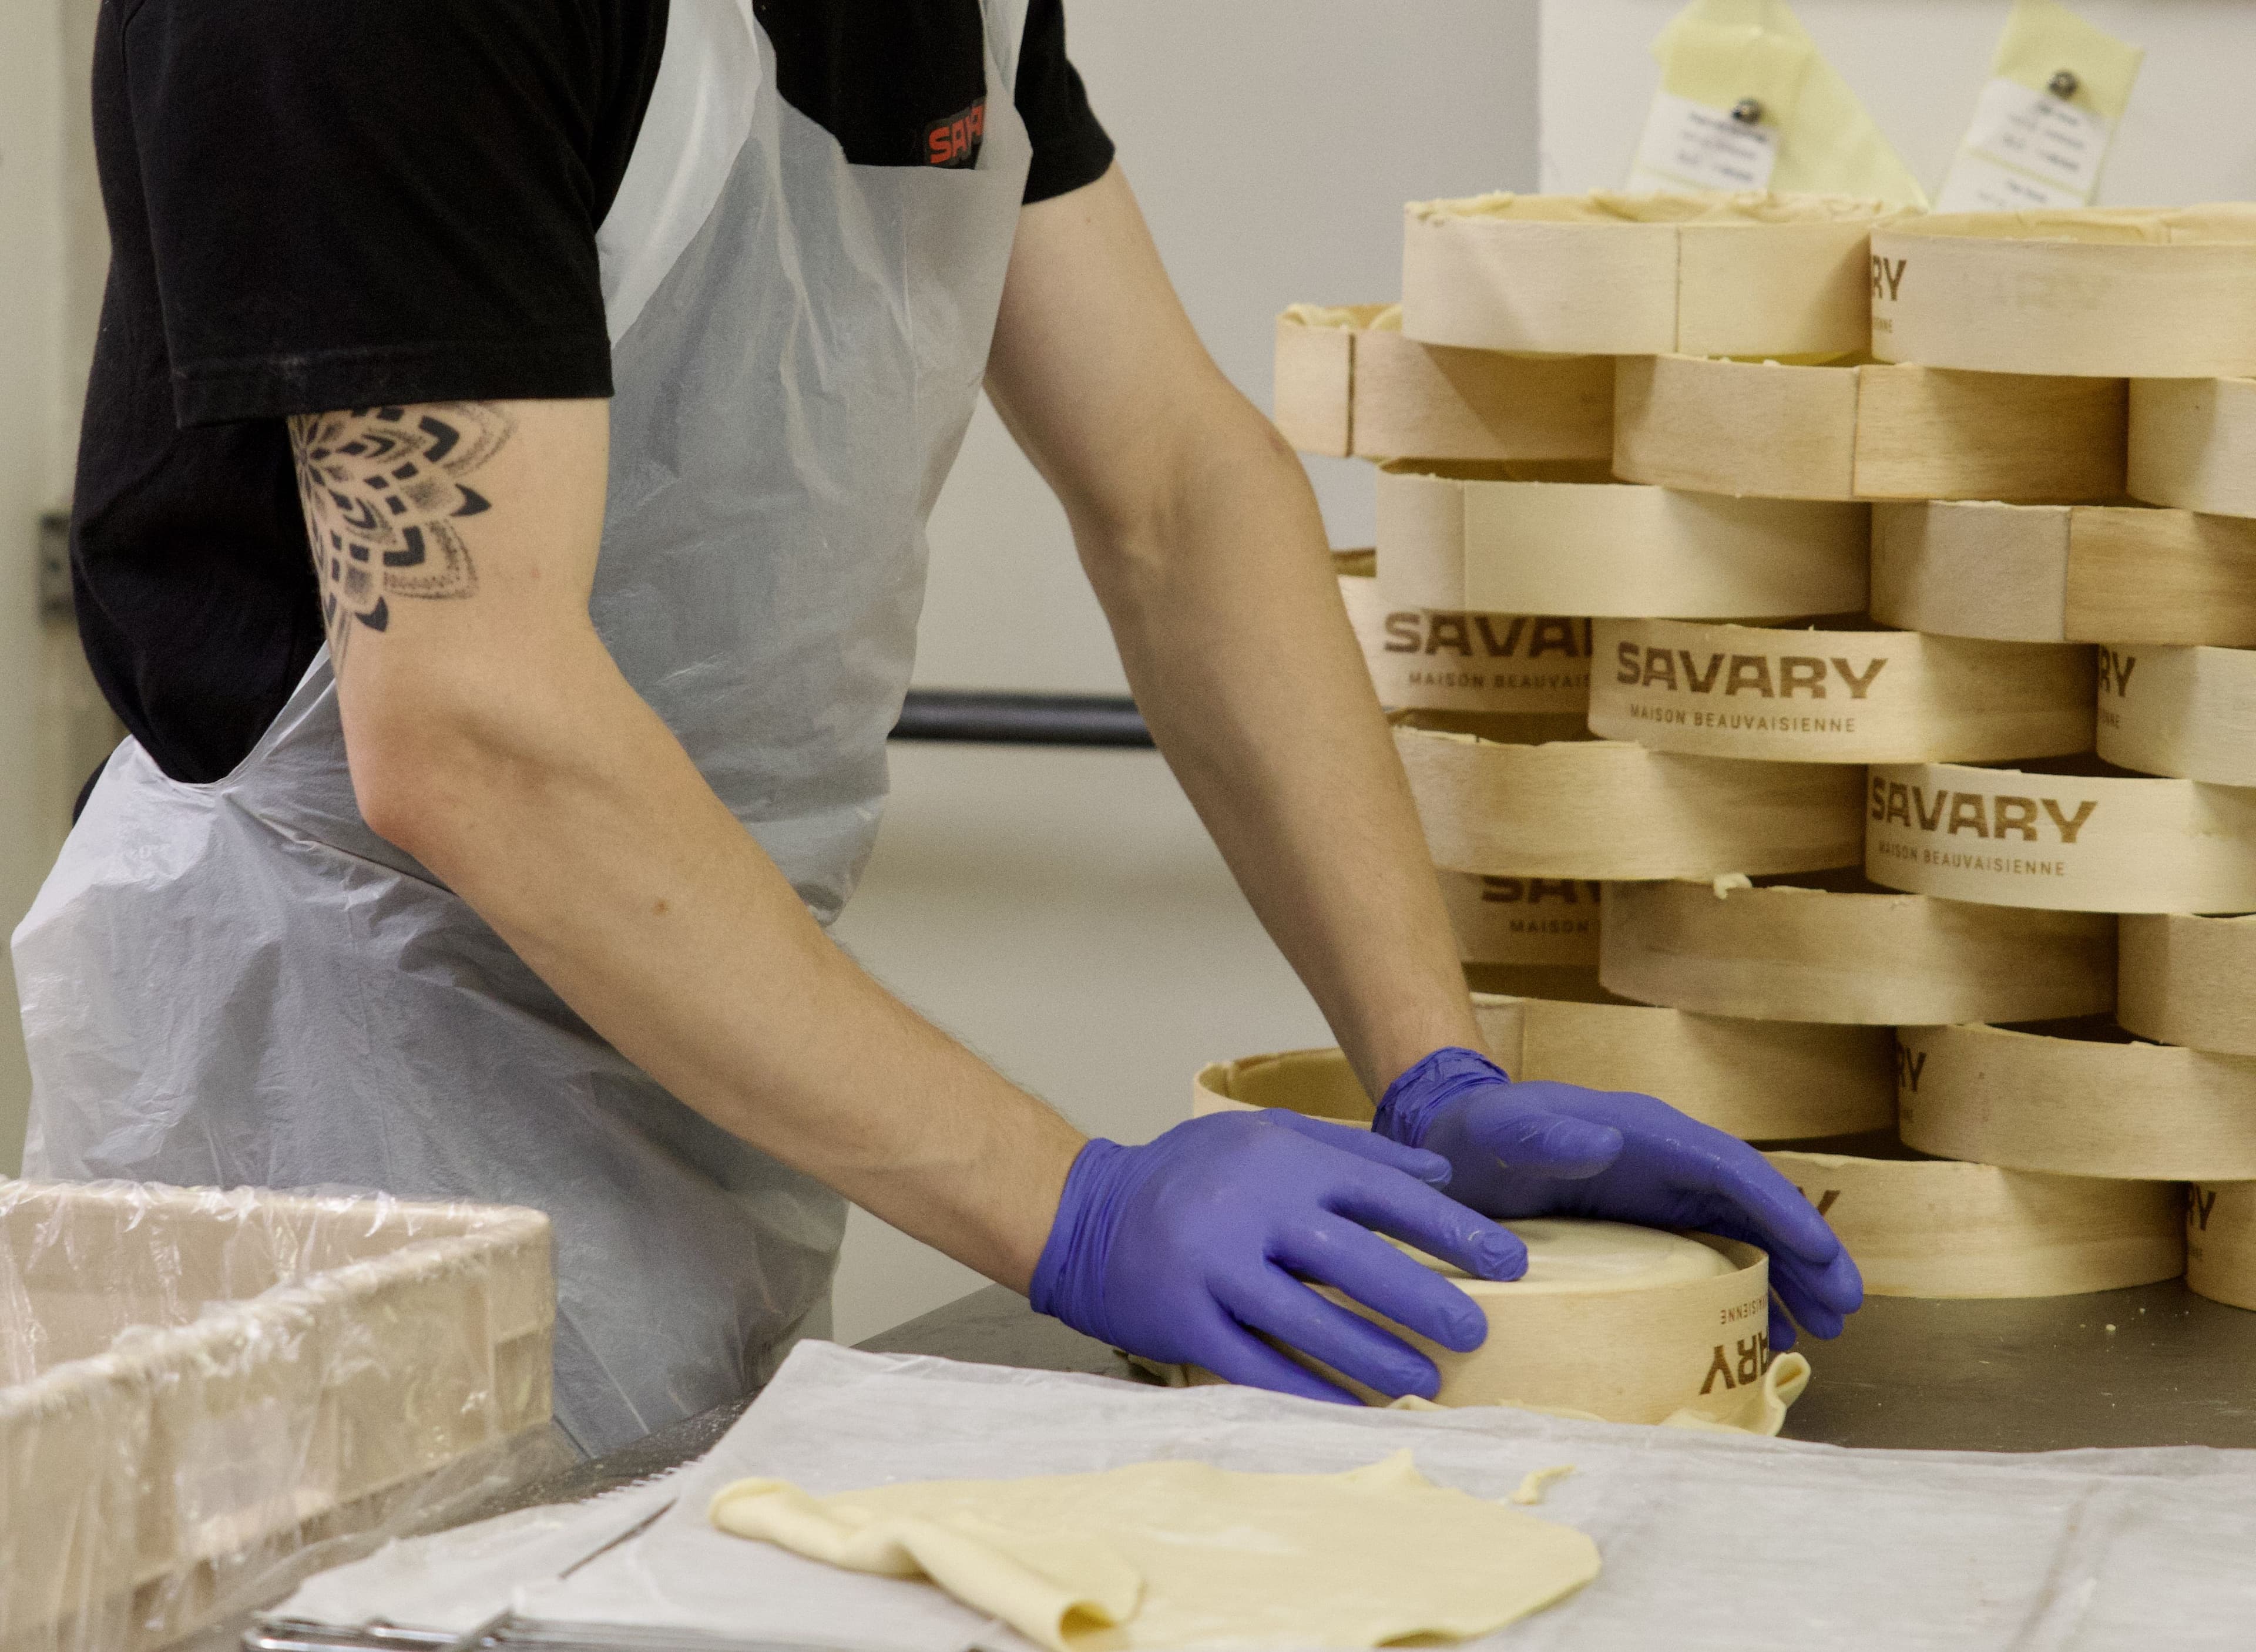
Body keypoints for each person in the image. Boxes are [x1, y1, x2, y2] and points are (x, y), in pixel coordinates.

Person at [13, 0, 1860, 1455]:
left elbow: (1177, 485)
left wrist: (1430, 1064)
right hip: (321, 1138)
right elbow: (477, 726)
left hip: (705, 1068)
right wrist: (1079, 1210)